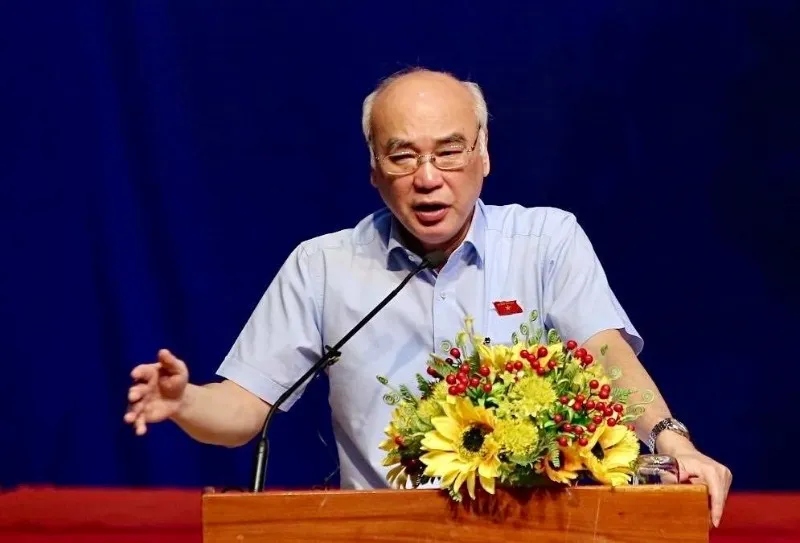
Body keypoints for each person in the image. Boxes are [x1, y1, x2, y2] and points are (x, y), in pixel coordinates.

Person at [125, 68, 732, 526]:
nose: (427, 177)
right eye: (402, 156)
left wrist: (674, 442)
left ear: (483, 153)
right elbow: (244, 410)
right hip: (380, 535)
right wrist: (184, 402)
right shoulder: (324, 266)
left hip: (529, 533)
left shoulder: (546, 241)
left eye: (448, 151)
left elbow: (605, 358)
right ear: (373, 169)